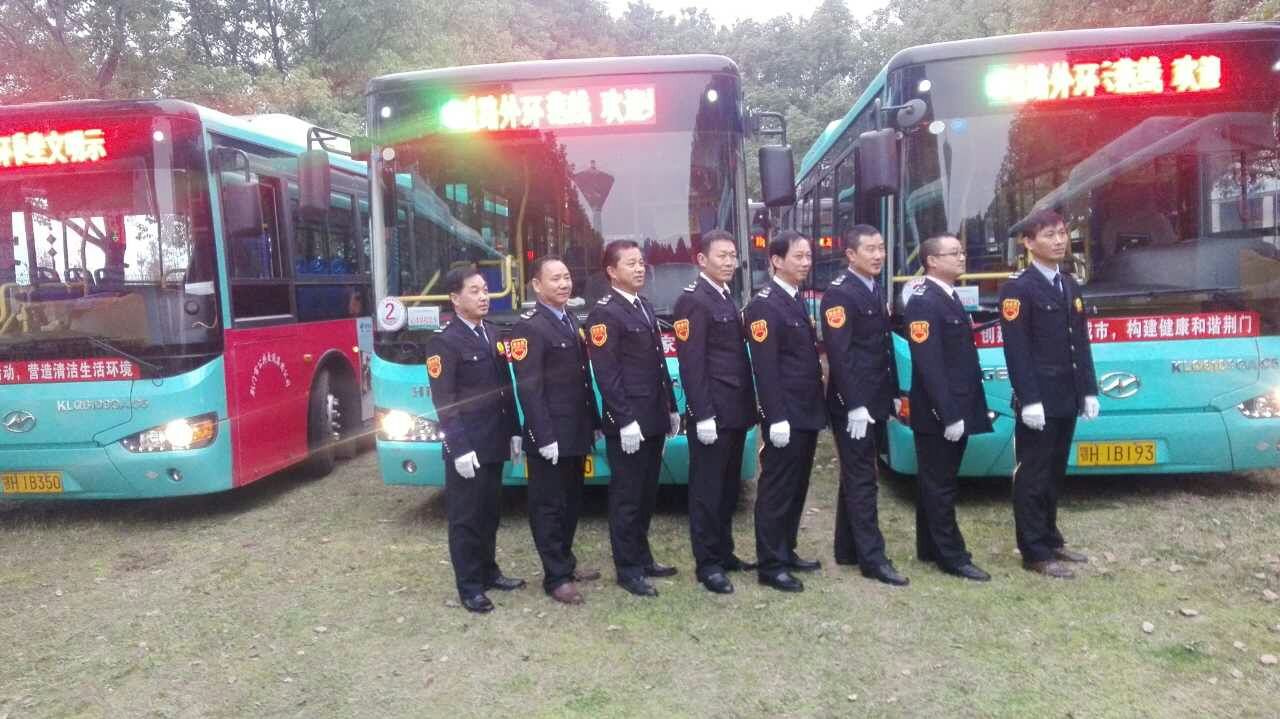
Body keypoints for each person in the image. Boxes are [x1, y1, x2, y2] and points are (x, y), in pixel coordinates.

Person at [999, 209, 1100, 579]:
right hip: (1038, 400)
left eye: (1062, 233)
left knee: (1055, 471)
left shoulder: (1068, 283)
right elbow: (1016, 349)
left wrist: (1088, 390)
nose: (1059, 241)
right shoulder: (1018, 288)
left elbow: (1080, 342)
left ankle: (1051, 538)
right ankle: (1034, 551)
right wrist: (1028, 399)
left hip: (1066, 396)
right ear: (1028, 242)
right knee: (1032, 475)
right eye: (1049, 235)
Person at [425, 266, 525, 613]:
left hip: (495, 440)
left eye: (485, 290)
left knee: (490, 512)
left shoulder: (492, 332)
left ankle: (488, 571)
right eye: (475, 291)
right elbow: (445, 402)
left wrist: (514, 431)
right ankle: (469, 587)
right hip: (468, 446)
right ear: (455, 298)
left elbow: (505, 389)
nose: (484, 297)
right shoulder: (443, 342)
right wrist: (459, 448)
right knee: (466, 518)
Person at [585, 240, 681, 598]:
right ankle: (627, 569)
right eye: (631, 264)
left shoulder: (643, 305)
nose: (640, 269)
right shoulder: (605, 314)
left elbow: (658, 363)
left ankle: (643, 557)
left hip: (654, 415)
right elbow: (607, 373)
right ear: (611, 271)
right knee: (627, 497)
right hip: (630, 422)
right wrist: (624, 420)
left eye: (641, 263)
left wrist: (671, 407)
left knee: (646, 493)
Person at [509, 256, 603, 604]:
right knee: (548, 506)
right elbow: (529, 388)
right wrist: (543, 435)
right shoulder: (530, 328)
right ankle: (556, 577)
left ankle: (566, 561)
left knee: (571, 502)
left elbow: (582, 379)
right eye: (555, 279)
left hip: (576, 429)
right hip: (550, 434)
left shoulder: (569, 320)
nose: (564, 284)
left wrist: (593, 421)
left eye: (566, 277)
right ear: (537, 285)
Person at [821, 224, 908, 587]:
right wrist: (855, 405)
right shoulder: (839, 294)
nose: (878, 255)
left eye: (881, 248)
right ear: (850, 255)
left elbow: (882, 347)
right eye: (869, 249)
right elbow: (839, 355)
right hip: (853, 405)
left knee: (856, 475)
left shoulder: (873, 288)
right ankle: (873, 558)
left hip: (875, 398)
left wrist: (893, 392)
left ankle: (847, 548)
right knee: (863, 479)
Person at [672, 229, 758, 595]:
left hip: (734, 409)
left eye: (732, 256)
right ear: (702, 260)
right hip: (713, 414)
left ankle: (724, 551)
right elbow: (692, 364)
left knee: (727, 488)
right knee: (707, 490)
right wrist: (702, 413)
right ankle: (707, 563)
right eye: (721, 256)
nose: (729, 262)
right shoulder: (693, 301)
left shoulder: (725, 296)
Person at [904, 234, 993, 582]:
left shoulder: (948, 296)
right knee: (940, 485)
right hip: (939, 412)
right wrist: (948, 413)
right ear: (932, 261)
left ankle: (929, 546)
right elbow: (929, 364)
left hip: (957, 403)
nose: (961, 257)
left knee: (936, 481)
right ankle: (952, 555)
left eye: (962, 251)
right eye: (953, 253)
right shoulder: (924, 301)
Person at [744, 230, 826, 593]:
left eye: (808, 256)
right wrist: (774, 417)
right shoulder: (765, 305)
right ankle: (771, 563)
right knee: (777, 489)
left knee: (798, 485)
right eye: (798, 256)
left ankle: (786, 549)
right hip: (786, 414)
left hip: (806, 410)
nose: (806, 263)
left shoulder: (794, 298)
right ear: (777, 261)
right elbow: (765, 368)